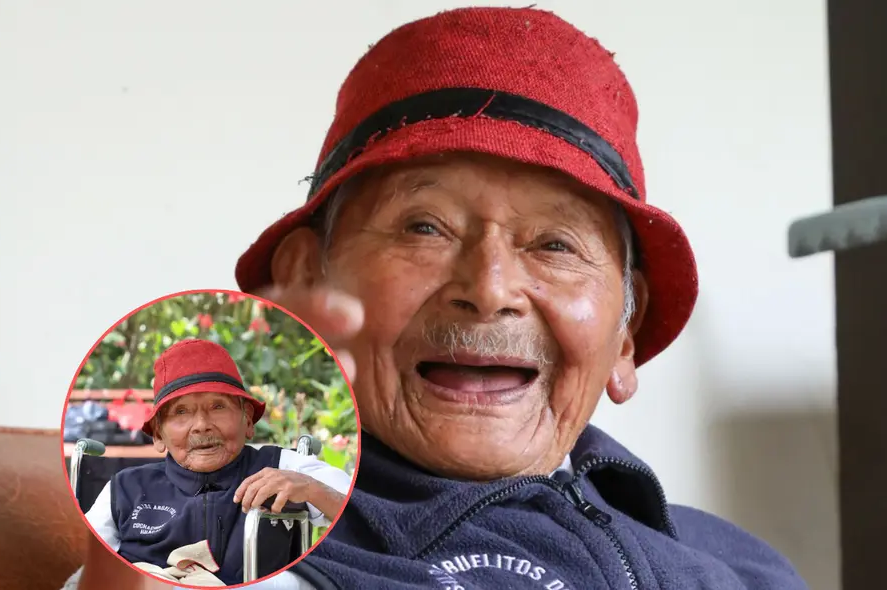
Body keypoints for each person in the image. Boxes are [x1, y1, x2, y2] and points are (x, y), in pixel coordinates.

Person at [73, 6, 809, 589]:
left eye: (555, 245)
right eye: (425, 227)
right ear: (307, 284)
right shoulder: (250, 550)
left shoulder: (738, 567)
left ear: (625, 332)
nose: (489, 291)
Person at [78, 338, 352, 586]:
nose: (201, 425)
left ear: (247, 420)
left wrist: (310, 488)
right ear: (159, 434)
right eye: (181, 412)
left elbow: (371, 515)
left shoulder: (283, 467)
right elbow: (84, 565)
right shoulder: (126, 489)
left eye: (217, 406)